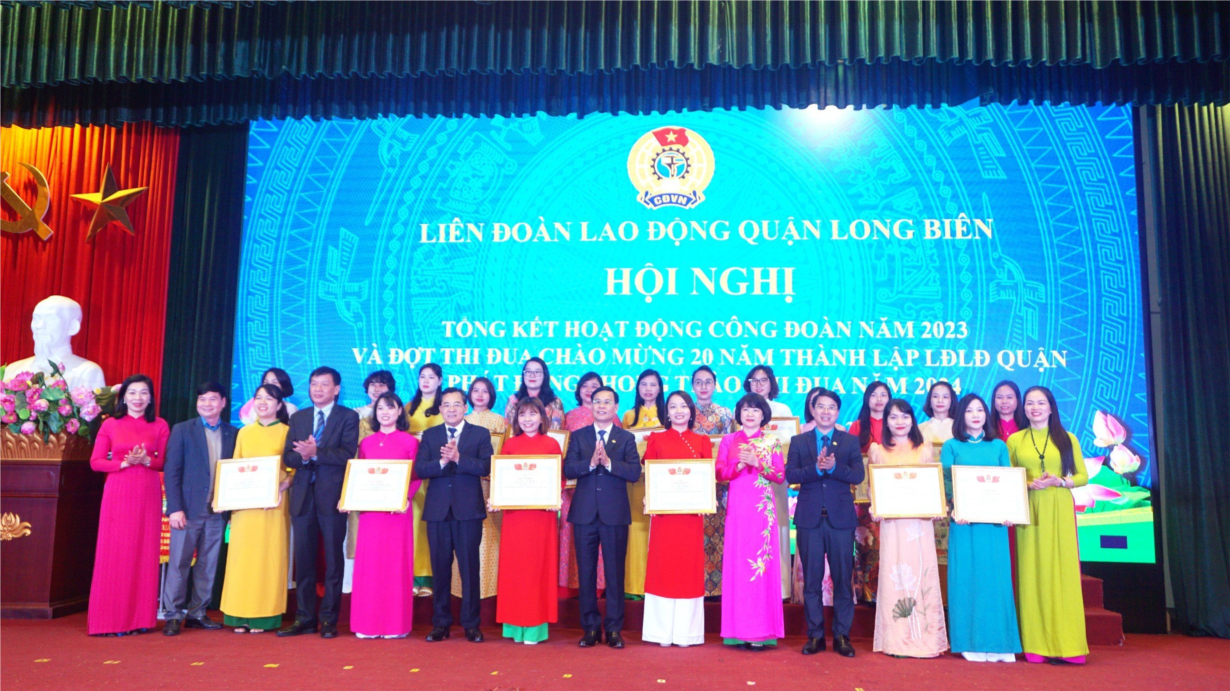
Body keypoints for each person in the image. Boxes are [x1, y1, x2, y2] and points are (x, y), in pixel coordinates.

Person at [1006, 386, 1089, 664]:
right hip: (1028, 507)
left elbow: (1082, 476)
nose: (1035, 408)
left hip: (1059, 506)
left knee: (1063, 573)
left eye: (1041, 403)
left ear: (1051, 407)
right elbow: (1007, 476)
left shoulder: (1068, 438)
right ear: (1024, 409)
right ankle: (1035, 644)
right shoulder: (1015, 440)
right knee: (1031, 572)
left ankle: (1069, 645)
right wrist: (1029, 484)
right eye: (1030, 403)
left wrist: (1060, 481)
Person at [278, 367, 360, 639]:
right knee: (304, 560)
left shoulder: (348, 416)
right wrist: (303, 457)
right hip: (302, 497)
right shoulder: (299, 417)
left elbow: (347, 454)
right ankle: (304, 617)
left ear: (336, 389)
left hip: (332, 497)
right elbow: (288, 457)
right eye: (314, 384)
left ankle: (328, 619)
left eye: (324, 384)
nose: (318, 389)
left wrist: (317, 453)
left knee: (334, 560)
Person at [87, 374, 170, 636]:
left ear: (151, 398)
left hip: (147, 493)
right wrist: (123, 463)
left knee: (143, 552)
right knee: (115, 552)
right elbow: (96, 462)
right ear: (123, 397)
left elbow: (163, 462)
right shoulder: (110, 424)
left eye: (143, 392)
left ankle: (139, 620)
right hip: (119, 491)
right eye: (132, 392)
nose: (138, 398)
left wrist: (146, 461)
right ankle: (107, 622)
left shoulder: (160, 425)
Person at [942, 393, 1021, 663]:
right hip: (964, 522)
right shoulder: (951, 446)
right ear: (961, 415)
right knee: (966, 579)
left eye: (979, 410)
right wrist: (956, 505)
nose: (975, 415)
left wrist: (1010, 511)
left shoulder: (998, 446)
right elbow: (947, 482)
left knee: (995, 580)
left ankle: (1001, 644)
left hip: (994, 524)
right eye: (969, 411)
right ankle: (968, 641)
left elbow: (1007, 481)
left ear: (986, 415)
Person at [869, 399, 949, 658]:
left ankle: (924, 639)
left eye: (904, 416)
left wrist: (936, 506)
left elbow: (932, 485)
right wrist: (875, 506)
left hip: (919, 525)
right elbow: (873, 488)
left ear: (912, 420)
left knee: (921, 575)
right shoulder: (877, 451)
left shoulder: (924, 450)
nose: (899, 422)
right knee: (895, 576)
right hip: (892, 524)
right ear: (886, 422)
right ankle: (896, 641)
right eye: (893, 417)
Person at [414, 387, 494, 643]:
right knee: (440, 569)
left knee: (469, 569)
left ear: (465, 408)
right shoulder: (430, 435)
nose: (451, 409)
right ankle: (441, 623)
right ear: (440, 409)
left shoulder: (479, 434)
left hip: (468, 512)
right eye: (446, 405)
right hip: (438, 512)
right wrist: (441, 463)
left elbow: (486, 466)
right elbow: (420, 469)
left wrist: (459, 458)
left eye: (456, 404)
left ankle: (472, 624)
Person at [564, 385, 641, 649]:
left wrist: (608, 463)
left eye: (607, 402)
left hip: (614, 515)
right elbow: (568, 468)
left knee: (614, 574)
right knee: (586, 573)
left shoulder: (626, 438)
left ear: (616, 407)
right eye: (597, 401)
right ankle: (590, 629)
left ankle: (614, 630)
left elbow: (634, 472)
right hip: (584, 514)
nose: (601, 406)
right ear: (591, 405)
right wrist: (590, 464)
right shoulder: (579, 436)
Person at [787, 388, 861, 657]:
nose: (826, 411)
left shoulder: (850, 441)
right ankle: (815, 635)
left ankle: (842, 635)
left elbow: (858, 476)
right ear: (813, 410)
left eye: (831, 407)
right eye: (821, 406)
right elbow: (791, 474)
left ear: (838, 411)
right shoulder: (799, 441)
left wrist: (834, 467)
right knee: (811, 582)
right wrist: (817, 469)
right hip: (810, 520)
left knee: (842, 580)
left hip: (841, 521)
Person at [161, 382, 237, 635]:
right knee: (179, 563)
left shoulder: (233, 433)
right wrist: (175, 508)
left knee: (208, 563)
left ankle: (197, 613)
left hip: (217, 510)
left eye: (213, 399)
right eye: (202, 399)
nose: (207, 404)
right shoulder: (183, 430)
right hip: (187, 510)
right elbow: (172, 471)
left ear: (223, 403)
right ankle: (173, 615)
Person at [641, 391, 711, 647]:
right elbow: (650, 474)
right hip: (663, 515)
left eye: (683, 406)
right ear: (667, 412)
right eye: (673, 406)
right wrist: (650, 498)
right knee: (663, 567)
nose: (679, 411)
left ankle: (686, 633)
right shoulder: (656, 439)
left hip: (691, 516)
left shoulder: (702, 440)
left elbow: (706, 477)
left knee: (687, 569)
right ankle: (660, 633)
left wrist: (705, 499)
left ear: (691, 411)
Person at [220, 384, 292, 633]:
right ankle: (238, 615)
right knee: (241, 559)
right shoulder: (244, 432)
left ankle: (263, 616)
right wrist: (229, 504)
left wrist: (281, 486)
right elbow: (234, 469)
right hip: (244, 507)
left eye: (269, 399)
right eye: (258, 398)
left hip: (273, 506)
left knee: (267, 557)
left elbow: (294, 471)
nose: (263, 402)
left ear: (279, 405)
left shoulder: (287, 432)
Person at [349, 392, 420, 638]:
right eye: (380, 408)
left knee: (395, 566)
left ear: (400, 411)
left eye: (390, 407)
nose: (385, 412)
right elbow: (359, 476)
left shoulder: (410, 442)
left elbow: (416, 477)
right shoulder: (366, 443)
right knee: (369, 565)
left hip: (397, 513)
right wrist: (351, 498)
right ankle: (367, 624)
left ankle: (394, 625)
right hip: (371, 514)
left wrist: (405, 498)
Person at [718, 393, 786, 650]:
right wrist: (737, 466)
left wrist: (758, 463)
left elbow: (779, 475)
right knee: (738, 565)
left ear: (763, 415)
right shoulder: (728, 440)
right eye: (746, 409)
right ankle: (736, 631)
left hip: (762, 513)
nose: (750, 414)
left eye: (755, 410)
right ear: (739, 413)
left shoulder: (772, 441)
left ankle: (762, 631)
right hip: (737, 510)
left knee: (761, 568)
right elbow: (719, 473)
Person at [494, 397, 563, 644]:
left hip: (541, 516)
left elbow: (559, 477)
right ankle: (515, 627)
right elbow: (501, 477)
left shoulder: (551, 444)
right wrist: (497, 497)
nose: (527, 419)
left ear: (542, 417)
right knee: (516, 569)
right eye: (522, 414)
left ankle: (534, 628)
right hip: (515, 516)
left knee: (537, 569)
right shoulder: (510, 444)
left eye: (533, 414)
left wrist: (554, 497)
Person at [560, 372, 613, 595]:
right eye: (585, 386)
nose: (590, 390)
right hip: (574, 487)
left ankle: (601, 586)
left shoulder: (613, 418)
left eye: (595, 386)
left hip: (605, 488)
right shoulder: (569, 416)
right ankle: (571, 585)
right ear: (579, 389)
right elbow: (562, 450)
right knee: (573, 536)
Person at [743, 365, 792, 599]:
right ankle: (751, 584)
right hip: (746, 482)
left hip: (775, 480)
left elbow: (790, 445)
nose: (759, 384)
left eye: (763, 380)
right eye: (754, 380)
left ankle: (779, 588)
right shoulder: (743, 409)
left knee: (776, 529)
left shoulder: (783, 410)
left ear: (772, 383)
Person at [456, 376, 504, 602]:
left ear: (491, 395)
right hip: (466, 485)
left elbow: (501, 457)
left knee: (490, 535)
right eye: (475, 390)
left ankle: (491, 586)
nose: (480, 395)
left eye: (485, 391)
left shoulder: (500, 421)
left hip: (491, 487)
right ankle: (462, 588)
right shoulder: (461, 420)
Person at [622, 369, 665, 599]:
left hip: (661, 481)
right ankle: (634, 586)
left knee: (658, 532)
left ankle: (658, 584)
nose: (648, 389)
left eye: (653, 384)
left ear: (660, 389)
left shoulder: (668, 413)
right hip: (635, 481)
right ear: (638, 388)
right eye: (644, 384)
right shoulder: (629, 416)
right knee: (636, 531)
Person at [690, 365, 732, 597]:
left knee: (719, 533)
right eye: (699, 382)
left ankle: (719, 589)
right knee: (695, 534)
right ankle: (696, 585)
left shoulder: (725, 414)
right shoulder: (685, 411)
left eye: (708, 382)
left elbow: (730, 448)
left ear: (715, 385)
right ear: (692, 386)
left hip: (719, 483)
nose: (703, 386)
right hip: (691, 483)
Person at [847, 381, 890, 602]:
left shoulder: (895, 423)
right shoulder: (857, 426)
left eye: (883, 394)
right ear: (867, 399)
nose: (879, 399)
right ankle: (865, 593)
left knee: (888, 543)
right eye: (874, 395)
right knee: (865, 543)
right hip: (863, 496)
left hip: (891, 495)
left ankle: (888, 591)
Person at [406, 363, 444, 595]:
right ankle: (411, 576)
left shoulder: (444, 406)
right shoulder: (407, 408)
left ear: (440, 381)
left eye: (431, 377)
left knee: (431, 524)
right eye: (422, 376)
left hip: (436, 472)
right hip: (412, 474)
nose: (426, 381)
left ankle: (428, 577)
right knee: (412, 523)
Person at [504, 357, 565, 430]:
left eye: (537, 372)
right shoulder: (513, 400)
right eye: (528, 372)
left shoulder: (555, 402)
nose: (532, 375)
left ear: (545, 376)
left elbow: (557, 431)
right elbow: (510, 429)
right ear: (523, 375)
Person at [356, 370, 396, 435]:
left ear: (390, 389)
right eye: (373, 384)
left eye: (381, 385)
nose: (376, 389)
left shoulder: (395, 412)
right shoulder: (356, 412)